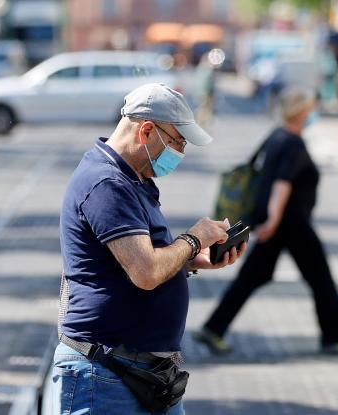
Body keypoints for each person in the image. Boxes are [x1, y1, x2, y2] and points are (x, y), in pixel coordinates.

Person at [45, 83, 245, 414]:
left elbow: (136, 262)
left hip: (142, 374)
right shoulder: (106, 184)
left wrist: (192, 260)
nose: (180, 153)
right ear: (147, 130)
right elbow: (146, 272)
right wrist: (193, 238)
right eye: (177, 142)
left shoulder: (133, 181)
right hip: (104, 374)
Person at [194, 86, 338, 356]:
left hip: (281, 223)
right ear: (303, 111)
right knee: (320, 278)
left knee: (252, 277)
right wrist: (273, 218)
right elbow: (282, 183)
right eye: (311, 108)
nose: (313, 112)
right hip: (291, 223)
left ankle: (214, 328)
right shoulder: (293, 142)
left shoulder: (277, 135)